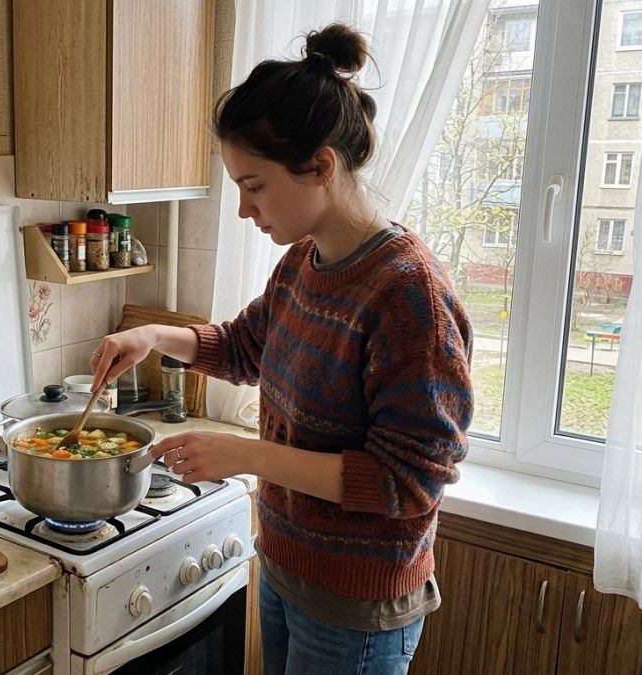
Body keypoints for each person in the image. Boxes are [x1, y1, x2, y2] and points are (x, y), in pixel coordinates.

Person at [87, 23, 473, 675]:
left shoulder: (409, 296)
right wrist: (153, 336)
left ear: (321, 165)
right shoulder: (305, 262)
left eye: (255, 185)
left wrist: (244, 455)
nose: (243, 208)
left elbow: (408, 481)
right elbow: (243, 346)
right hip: (286, 569)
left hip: (356, 608)